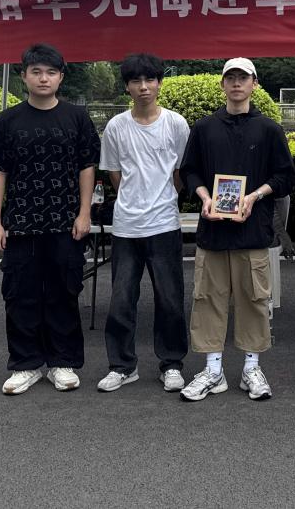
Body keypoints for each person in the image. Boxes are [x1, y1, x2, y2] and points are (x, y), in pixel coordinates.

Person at [0, 44, 100, 395]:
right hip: (20, 223)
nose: (43, 78)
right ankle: (26, 364)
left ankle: (63, 362)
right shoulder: (8, 120)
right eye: (36, 72)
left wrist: (84, 213)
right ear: (24, 76)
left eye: (50, 72)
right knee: (20, 294)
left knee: (64, 292)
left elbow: (87, 167)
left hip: (66, 222)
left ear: (61, 77)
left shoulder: (77, 118)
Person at [178, 58, 294, 402]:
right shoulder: (204, 128)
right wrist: (204, 197)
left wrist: (255, 196)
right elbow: (190, 171)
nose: (237, 83)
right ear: (222, 84)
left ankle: (251, 368)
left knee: (254, 300)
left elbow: (284, 176)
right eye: (230, 78)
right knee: (207, 300)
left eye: (243, 78)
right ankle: (212, 369)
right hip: (212, 233)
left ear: (255, 84)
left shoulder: (269, 129)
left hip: (253, 232)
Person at [95, 53, 191, 394]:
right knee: (121, 299)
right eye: (136, 81)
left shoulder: (176, 124)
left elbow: (181, 173)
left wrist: (164, 197)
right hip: (126, 227)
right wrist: (133, 200)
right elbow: (114, 174)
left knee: (170, 299)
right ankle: (122, 366)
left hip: (164, 223)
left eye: (150, 79)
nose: (144, 87)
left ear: (160, 83)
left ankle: (172, 364)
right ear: (127, 87)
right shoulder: (116, 127)